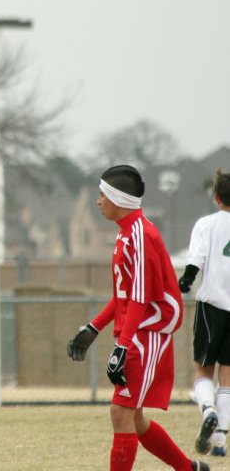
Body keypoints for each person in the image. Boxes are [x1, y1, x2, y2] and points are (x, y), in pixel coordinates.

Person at [66, 165, 209, 471]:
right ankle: (188, 468)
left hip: (149, 331)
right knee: (134, 417)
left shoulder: (141, 235)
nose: (98, 201)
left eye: (103, 194)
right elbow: (124, 296)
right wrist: (94, 328)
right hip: (138, 331)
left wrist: (123, 345)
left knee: (121, 412)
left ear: (118, 198)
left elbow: (142, 299)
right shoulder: (126, 235)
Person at [178, 170, 230, 457]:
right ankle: (221, 437)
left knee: (203, 369)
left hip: (212, 306)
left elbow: (196, 257)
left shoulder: (207, 224)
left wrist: (185, 281)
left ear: (216, 196)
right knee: (228, 374)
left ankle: (207, 410)